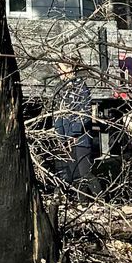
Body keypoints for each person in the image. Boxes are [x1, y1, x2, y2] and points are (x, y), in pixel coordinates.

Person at [48, 54, 100, 191]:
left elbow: (84, 115)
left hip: (81, 139)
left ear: (70, 69)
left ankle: (100, 200)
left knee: (85, 173)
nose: (59, 72)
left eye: (61, 68)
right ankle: (81, 202)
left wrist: (73, 135)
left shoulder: (81, 89)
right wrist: (61, 137)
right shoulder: (59, 89)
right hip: (65, 139)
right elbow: (57, 116)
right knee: (72, 174)